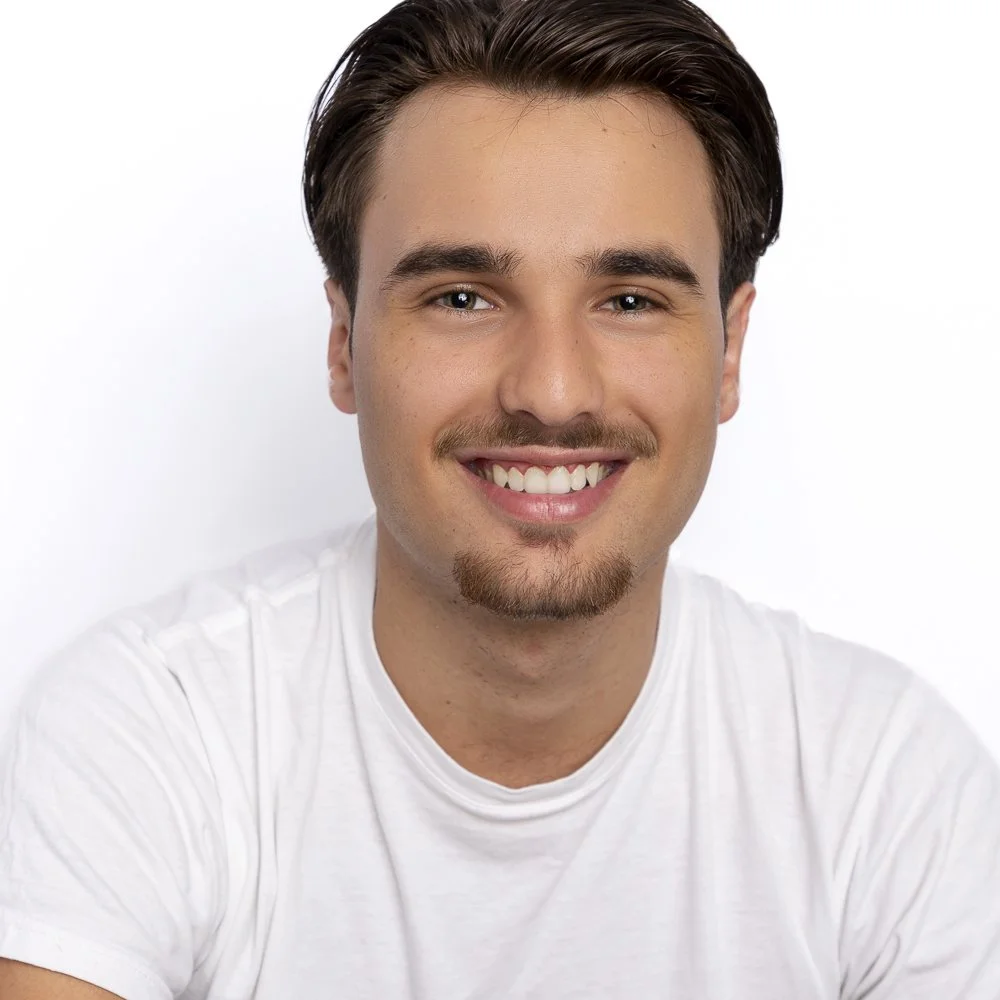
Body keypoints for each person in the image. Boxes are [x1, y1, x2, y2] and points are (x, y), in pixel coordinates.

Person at [3, 0, 1000, 995]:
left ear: (728, 350)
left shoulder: (890, 792)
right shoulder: (148, 734)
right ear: (344, 342)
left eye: (629, 300)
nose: (552, 391)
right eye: (461, 297)